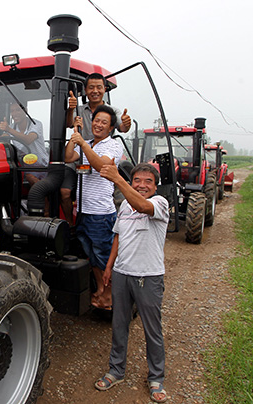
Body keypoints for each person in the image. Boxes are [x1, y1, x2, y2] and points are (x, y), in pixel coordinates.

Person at [95, 162, 169, 403]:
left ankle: (156, 377)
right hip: (122, 274)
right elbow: (118, 235)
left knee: (152, 329)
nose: (142, 185)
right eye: (137, 180)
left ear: (156, 186)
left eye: (148, 181)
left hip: (148, 276)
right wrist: (108, 267)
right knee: (119, 325)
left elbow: (142, 205)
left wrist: (118, 179)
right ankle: (116, 370)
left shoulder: (159, 204)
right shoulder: (125, 204)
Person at [64, 104, 123, 310]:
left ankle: (109, 295)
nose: (98, 125)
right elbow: (68, 157)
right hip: (83, 210)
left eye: (104, 122)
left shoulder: (113, 145)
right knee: (91, 254)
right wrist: (75, 134)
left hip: (100, 213)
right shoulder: (87, 142)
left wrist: (84, 145)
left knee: (103, 255)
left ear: (110, 128)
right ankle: (100, 289)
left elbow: (102, 167)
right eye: (96, 120)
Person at [61, 73, 132, 226]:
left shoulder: (113, 112)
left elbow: (123, 127)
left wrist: (126, 123)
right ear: (85, 90)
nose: (95, 91)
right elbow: (68, 124)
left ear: (104, 89)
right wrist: (70, 110)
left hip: (100, 157)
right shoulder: (79, 110)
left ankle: (117, 226)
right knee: (65, 191)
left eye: (99, 87)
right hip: (79, 156)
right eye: (91, 87)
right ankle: (69, 224)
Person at [0, 102, 48, 186]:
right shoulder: (12, 126)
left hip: (42, 166)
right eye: (12, 111)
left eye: (18, 110)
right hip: (25, 167)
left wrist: (8, 129)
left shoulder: (35, 124)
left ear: (25, 111)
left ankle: (42, 196)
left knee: (34, 180)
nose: (14, 114)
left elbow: (28, 139)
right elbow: (2, 139)